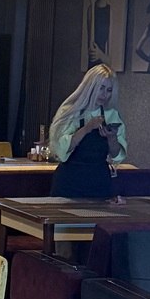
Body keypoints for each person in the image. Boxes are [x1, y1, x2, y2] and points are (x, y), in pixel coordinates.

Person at [48, 65, 127, 199]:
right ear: (90, 86)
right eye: (101, 88)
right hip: (69, 183)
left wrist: (112, 138)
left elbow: (116, 156)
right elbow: (61, 152)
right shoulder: (70, 111)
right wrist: (87, 128)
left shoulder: (112, 115)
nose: (104, 94)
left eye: (109, 90)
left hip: (99, 183)